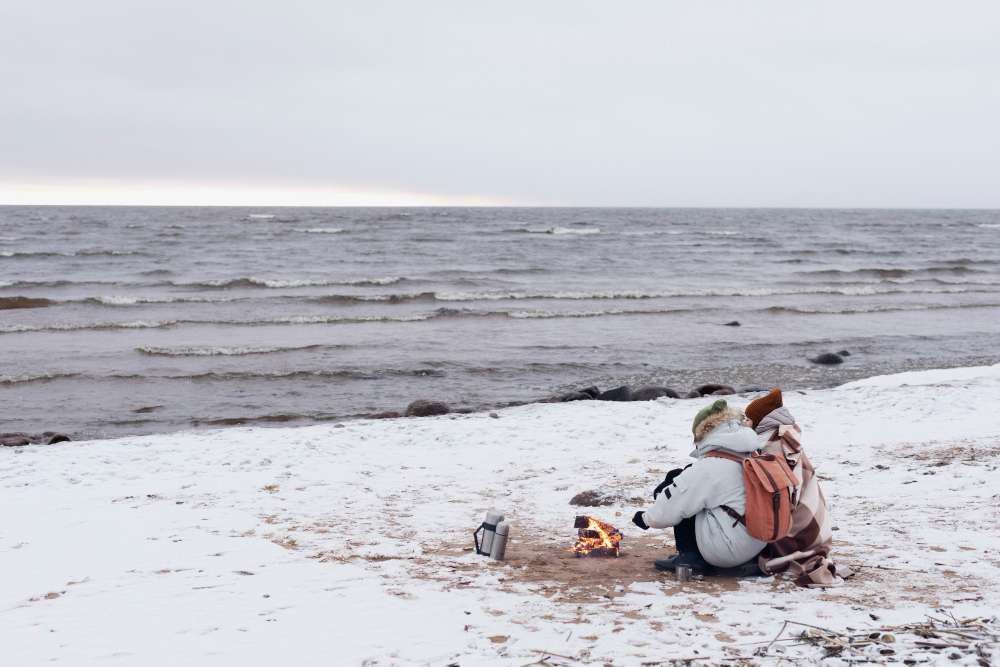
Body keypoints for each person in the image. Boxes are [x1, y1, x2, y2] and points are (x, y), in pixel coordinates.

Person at [632, 399, 764, 577]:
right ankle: (696, 553)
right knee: (685, 479)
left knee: (685, 493)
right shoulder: (752, 453)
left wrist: (645, 519)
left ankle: (691, 557)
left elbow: (671, 507)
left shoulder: (709, 467)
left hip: (728, 550)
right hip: (758, 541)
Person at [744, 388, 852, 588]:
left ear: (760, 422)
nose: (745, 423)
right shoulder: (784, 439)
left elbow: (777, 499)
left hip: (799, 531)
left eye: (748, 419)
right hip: (815, 528)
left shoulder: (772, 447)